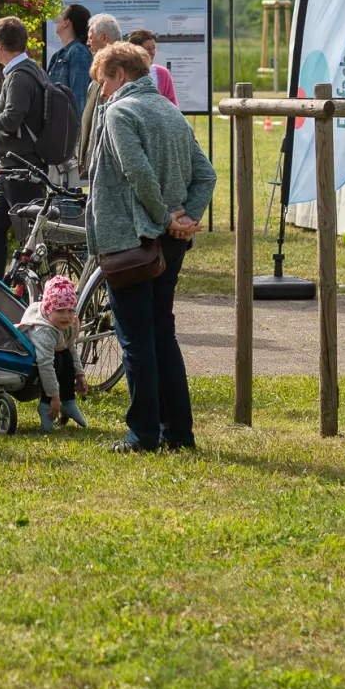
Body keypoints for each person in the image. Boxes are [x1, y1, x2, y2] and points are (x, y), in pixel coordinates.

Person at [87, 40, 215, 452]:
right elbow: (206, 174)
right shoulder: (171, 112)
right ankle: (178, 432)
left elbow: (137, 172)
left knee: (136, 339)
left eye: (103, 83)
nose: (102, 92)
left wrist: (165, 219)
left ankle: (141, 434)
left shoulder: (121, 111)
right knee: (162, 334)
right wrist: (186, 219)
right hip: (169, 242)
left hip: (132, 240)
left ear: (120, 75)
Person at [0, 15, 47, 278]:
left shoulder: (20, 77)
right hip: (10, 167)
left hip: (21, 167)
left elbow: (12, 118)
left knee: (30, 235)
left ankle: (34, 289)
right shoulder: (31, 70)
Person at [16, 273, 89, 433]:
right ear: (49, 310)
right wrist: (54, 398)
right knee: (57, 360)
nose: (66, 316)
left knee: (66, 356)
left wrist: (79, 374)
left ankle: (69, 402)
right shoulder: (43, 330)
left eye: (70, 310)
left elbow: (70, 346)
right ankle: (46, 406)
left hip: (52, 353)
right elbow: (45, 365)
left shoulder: (67, 323)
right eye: (60, 311)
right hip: (33, 361)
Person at [74, 12, 123, 174]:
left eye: (90, 37)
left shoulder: (120, 74)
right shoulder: (101, 74)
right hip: (99, 166)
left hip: (111, 167)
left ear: (104, 37)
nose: (88, 43)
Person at [47, 5, 93, 117]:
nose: (58, 19)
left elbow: (80, 97)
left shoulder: (78, 52)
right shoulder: (59, 55)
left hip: (69, 129)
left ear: (67, 22)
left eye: (62, 16)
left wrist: (78, 133)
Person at [123, 29, 179, 104]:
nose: (152, 52)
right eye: (148, 49)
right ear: (135, 51)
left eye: (154, 48)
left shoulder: (163, 73)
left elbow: (172, 104)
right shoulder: (122, 73)